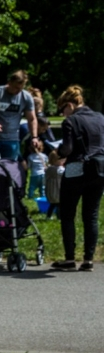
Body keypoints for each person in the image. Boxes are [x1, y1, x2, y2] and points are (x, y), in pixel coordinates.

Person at [51, 85, 104, 272]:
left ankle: (70, 258)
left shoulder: (71, 121)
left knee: (67, 215)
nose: (63, 113)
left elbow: (67, 149)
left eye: (63, 109)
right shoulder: (100, 118)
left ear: (71, 104)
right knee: (91, 215)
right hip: (99, 169)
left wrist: (55, 154)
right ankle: (88, 260)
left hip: (77, 169)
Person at [0, 70, 40, 161]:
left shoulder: (26, 97)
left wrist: (34, 137)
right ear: (9, 82)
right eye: (15, 88)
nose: (17, 91)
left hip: (12, 139)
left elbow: (31, 119)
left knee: (9, 168)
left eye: (20, 88)